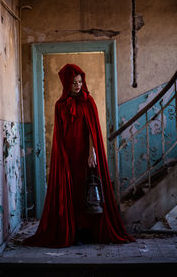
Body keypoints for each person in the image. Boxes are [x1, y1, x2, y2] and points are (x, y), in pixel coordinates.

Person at [23, 63, 134, 248]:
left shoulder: (88, 101)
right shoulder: (59, 105)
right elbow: (59, 134)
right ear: (66, 83)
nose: (78, 85)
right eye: (74, 82)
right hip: (68, 155)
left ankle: (89, 230)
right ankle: (73, 231)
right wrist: (61, 158)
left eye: (80, 82)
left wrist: (92, 151)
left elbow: (92, 130)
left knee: (88, 191)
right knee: (72, 193)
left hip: (85, 154)